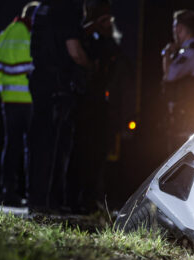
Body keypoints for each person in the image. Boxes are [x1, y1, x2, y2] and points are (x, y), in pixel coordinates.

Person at [27, 0, 90, 213]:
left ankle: (35, 198)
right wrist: (89, 66)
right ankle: (50, 201)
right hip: (58, 83)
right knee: (56, 146)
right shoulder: (67, 9)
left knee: (38, 143)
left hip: (40, 80)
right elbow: (74, 51)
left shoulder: (43, 8)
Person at [65, 0, 120, 212]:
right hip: (82, 102)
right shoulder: (81, 33)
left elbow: (111, 57)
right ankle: (74, 199)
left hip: (97, 105)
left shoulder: (106, 41)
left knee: (94, 156)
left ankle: (87, 199)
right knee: (79, 154)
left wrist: (103, 31)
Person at [0, 1, 39, 207]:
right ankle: (32, 193)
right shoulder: (30, 35)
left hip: (10, 100)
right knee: (33, 148)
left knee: (11, 147)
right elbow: (35, 66)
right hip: (29, 100)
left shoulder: (5, 34)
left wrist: (4, 90)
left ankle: (7, 190)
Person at [161, 9, 194, 152]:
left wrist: (166, 53)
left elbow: (169, 76)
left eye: (174, 26)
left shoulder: (192, 54)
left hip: (188, 121)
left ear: (180, 28)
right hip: (182, 120)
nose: (173, 30)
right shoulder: (186, 52)